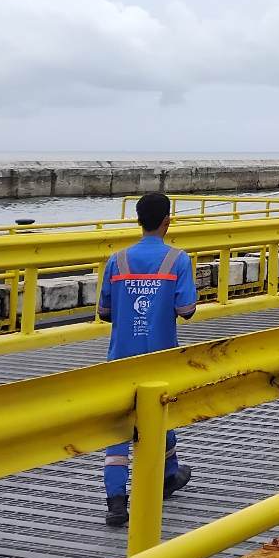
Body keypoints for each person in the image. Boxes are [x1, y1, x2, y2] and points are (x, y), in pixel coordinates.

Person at [98, 193, 198, 527]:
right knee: (162, 411)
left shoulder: (118, 260)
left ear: (138, 220)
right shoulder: (178, 260)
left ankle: (116, 499)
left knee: (119, 429)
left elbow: (104, 311)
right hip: (160, 356)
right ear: (167, 221)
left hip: (121, 357)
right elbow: (186, 310)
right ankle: (166, 475)